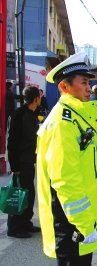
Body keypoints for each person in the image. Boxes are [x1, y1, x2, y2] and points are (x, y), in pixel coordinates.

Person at [36, 52, 97, 265]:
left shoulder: (77, 116)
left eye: (89, 83)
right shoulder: (63, 123)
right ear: (64, 87)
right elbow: (65, 180)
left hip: (77, 219)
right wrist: (85, 225)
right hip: (71, 221)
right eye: (84, 82)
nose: (89, 88)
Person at [6, 86, 41, 238]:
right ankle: (14, 228)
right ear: (36, 99)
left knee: (29, 193)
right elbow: (11, 141)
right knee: (18, 194)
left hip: (28, 161)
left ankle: (25, 223)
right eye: (39, 96)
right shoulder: (18, 114)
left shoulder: (32, 114)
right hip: (19, 162)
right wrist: (14, 166)